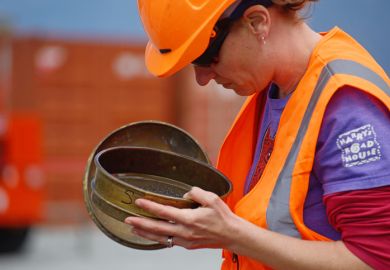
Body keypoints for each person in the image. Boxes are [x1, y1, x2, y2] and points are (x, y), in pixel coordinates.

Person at [125, 0, 390, 269]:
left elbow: (375, 259)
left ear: (256, 22)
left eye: (205, 56)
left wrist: (232, 235)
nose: (201, 78)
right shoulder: (275, 89)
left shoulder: (346, 106)